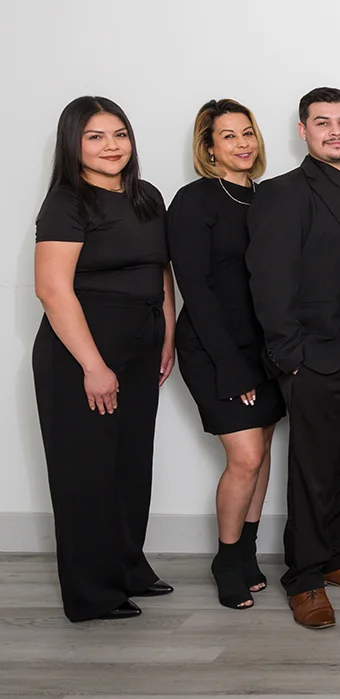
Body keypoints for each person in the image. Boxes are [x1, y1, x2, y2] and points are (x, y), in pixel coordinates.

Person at [246, 87, 340, 630]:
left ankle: (335, 557)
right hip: (314, 359)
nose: (335, 130)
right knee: (312, 472)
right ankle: (304, 577)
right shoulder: (282, 193)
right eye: (322, 121)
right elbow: (269, 280)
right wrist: (292, 357)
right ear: (303, 131)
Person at [33, 96, 175, 622]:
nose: (112, 146)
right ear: (73, 144)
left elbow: (160, 271)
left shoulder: (147, 195)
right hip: (83, 351)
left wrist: (167, 335)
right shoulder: (67, 202)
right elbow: (52, 290)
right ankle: (91, 594)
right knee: (87, 472)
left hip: (143, 343)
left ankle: (128, 567)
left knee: (131, 465)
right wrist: (93, 365)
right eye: (95, 136)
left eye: (119, 134)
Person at [166, 98, 286, 610]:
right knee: (246, 456)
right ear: (209, 148)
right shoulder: (194, 201)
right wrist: (231, 366)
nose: (242, 143)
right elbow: (195, 289)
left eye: (247, 133)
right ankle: (227, 558)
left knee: (264, 450)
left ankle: (248, 552)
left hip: (265, 347)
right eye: (229, 135)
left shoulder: (269, 198)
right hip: (213, 347)